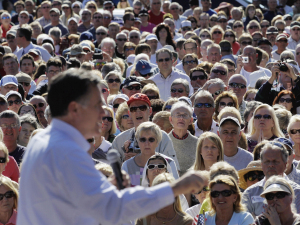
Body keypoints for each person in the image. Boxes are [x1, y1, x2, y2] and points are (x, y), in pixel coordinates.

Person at [17, 70, 208, 224]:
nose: (104, 114)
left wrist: (105, 188)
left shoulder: (42, 140)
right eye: (97, 106)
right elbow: (114, 208)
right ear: (75, 109)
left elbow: (76, 203)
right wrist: (179, 186)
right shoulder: (66, 150)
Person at [112, 93, 179, 168]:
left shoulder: (163, 137)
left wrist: (141, 160)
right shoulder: (119, 140)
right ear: (129, 113)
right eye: (133, 109)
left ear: (150, 111)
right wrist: (126, 162)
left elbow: (173, 169)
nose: (138, 112)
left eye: (142, 108)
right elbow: (112, 173)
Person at [242, 141, 300, 216]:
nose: (271, 165)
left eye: (275, 161)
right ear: (262, 165)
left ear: (285, 164)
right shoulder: (250, 193)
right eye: (267, 161)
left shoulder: (297, 192)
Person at [121, 121, 178, 186]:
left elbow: (177, 190)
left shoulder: (169, 163)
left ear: (157, 142)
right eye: (143, 139)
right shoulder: (127, 165)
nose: (147, 143)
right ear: (138, 142)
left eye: (151, 139)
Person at [168, 102, 197, 175]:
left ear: (191, 120)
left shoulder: (198, 143)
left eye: (185, 115)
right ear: (171, 119)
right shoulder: (163, 142)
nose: (181, 118)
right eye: (178, 115)